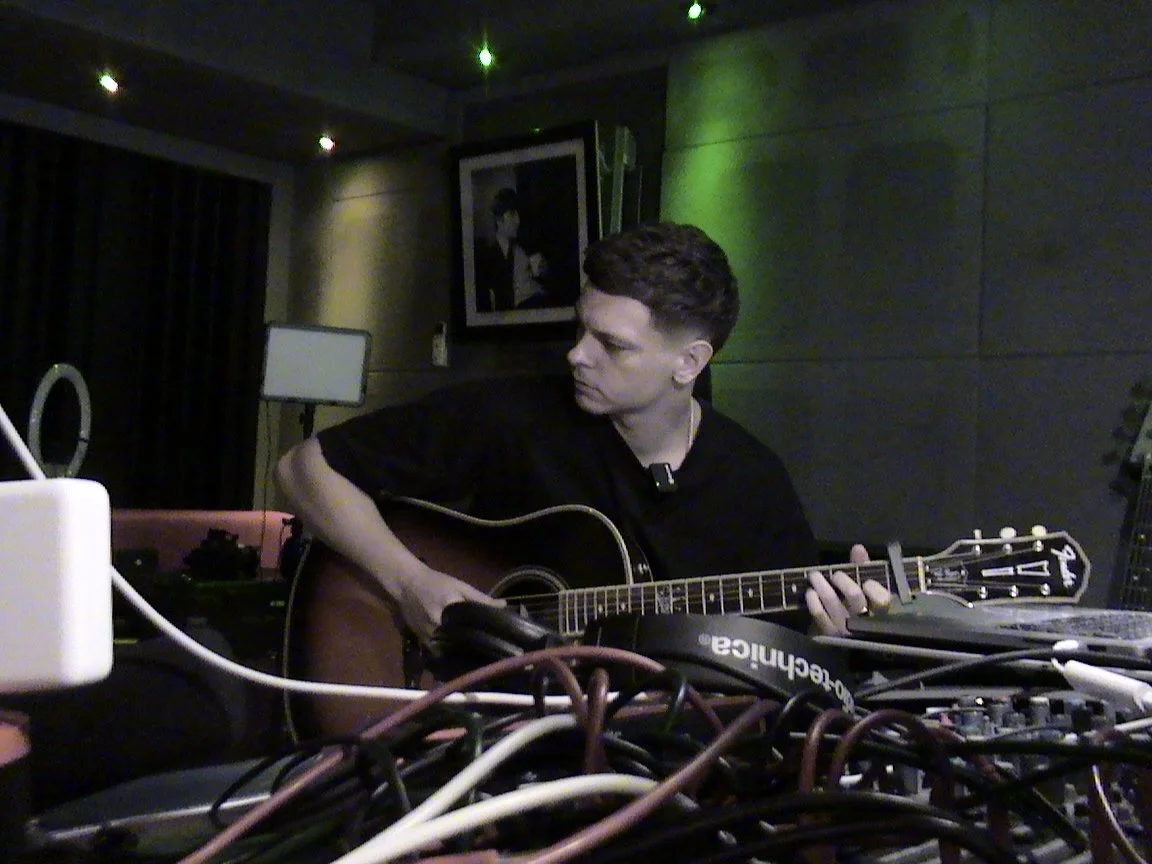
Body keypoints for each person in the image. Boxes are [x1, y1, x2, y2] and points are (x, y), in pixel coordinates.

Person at [276, 222, 890, 646]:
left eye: (612, 345)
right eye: (581, 328)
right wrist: (410, 582)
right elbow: (303, 468)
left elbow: (785, 650)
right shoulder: (511, 416)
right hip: (477, 733)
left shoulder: (754, 480)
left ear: (689, 362)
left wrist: (828, 635)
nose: (576, 355)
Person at [473, 188, 549, 311]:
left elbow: (537, 278)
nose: (518, 221)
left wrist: (542, 271)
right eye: (512, 214)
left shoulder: (520, 250)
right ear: (499, 219)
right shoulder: (485, 255)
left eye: (518, 214)